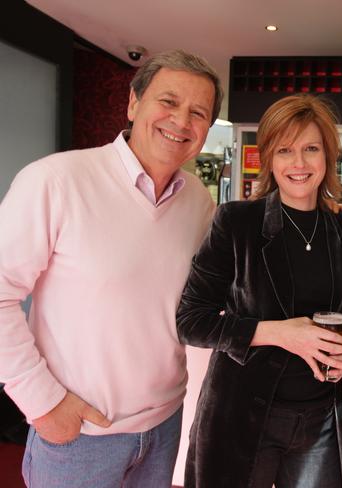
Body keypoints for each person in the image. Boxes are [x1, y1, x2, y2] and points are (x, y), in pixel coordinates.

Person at [0, 50, 222, 487]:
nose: (181, 121)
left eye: (199, 113)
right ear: (133, 103)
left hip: (164, 427)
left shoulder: (198, 201)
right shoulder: (56, 180)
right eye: (168, 102)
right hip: (78, 434)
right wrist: (42, 403)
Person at [176, 94, 342, 488]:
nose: (298, 163)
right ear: (268, 159)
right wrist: (278, 332)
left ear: (328, 155)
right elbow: (192, 321)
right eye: (285, 150)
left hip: (319, 422)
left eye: (311, 149)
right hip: (243, 417)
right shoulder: (238, 222)